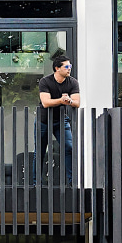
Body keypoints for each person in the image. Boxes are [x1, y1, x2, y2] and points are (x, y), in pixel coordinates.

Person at [37, 55, 79, 183]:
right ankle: (36, 182)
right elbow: (45, 102)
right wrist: (61, 100)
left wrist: (69, 100)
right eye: (66, 66)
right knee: (40, 151)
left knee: (69, 148)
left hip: (61, 120)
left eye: (70, 66)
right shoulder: (45, 81)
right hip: (44, 121)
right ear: (57, 68)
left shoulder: (72, 82)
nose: (69, 69)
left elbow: (77, 103)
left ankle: (71, 181)